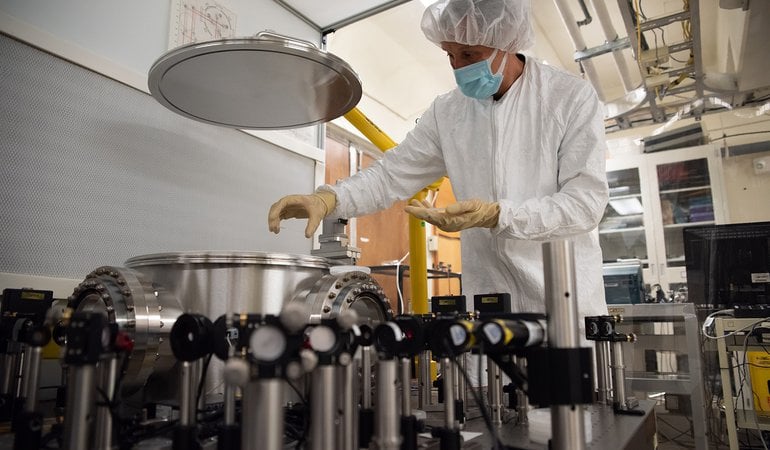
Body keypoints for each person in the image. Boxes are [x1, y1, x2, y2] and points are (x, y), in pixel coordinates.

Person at [268, 0, 609, 322]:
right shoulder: (449, 113)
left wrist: (499, 215)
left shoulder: (569, 98)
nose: (458, 66)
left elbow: (585, 204)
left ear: (506, 43)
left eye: (469, 54)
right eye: (450, 54)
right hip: (489, 307)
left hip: (564, 304)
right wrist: (329, 199)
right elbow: (390, 175)